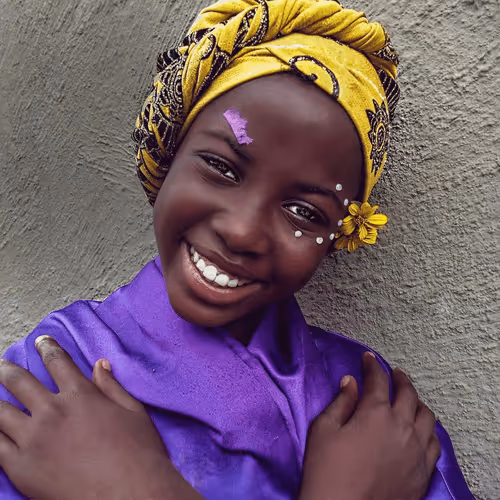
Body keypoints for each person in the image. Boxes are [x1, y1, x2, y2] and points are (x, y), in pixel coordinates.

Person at [0, 0, 475, 498]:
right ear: (168, 152)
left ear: (338, 236)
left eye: (304, 211)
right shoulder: (53, 382)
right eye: (221, 167)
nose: (242, 232)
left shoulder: (373, 412)